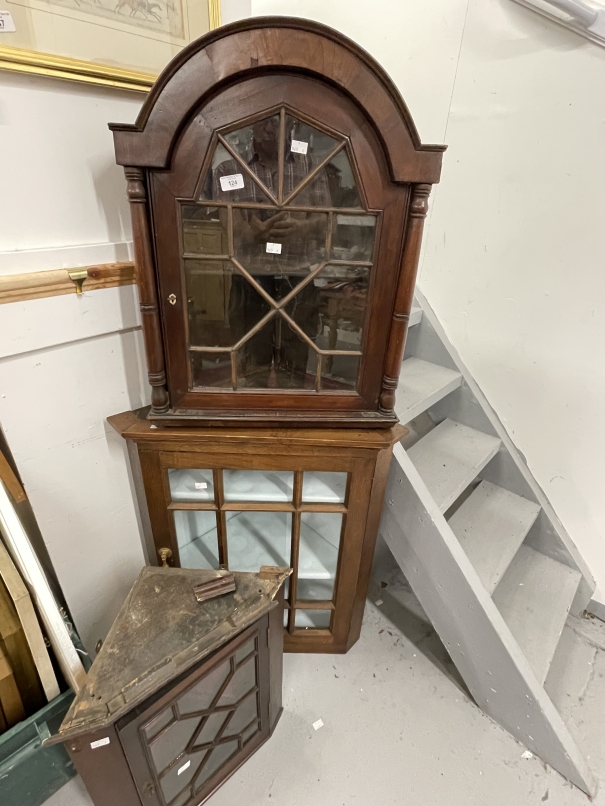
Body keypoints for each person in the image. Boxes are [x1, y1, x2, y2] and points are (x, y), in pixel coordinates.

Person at [212, 116, 331, 388]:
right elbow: (229, 225)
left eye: (280, 120)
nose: (270, 127)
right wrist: (255, 233)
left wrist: (299, 228)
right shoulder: (229, 169)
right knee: (253, 362)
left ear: (292, 125)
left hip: (297, 276)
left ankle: (291, 419)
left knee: (295, 363)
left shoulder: (311, 165)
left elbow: (327, 219)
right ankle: (255, 418)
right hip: (250, 276)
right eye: (264, 120)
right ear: (250, 123)